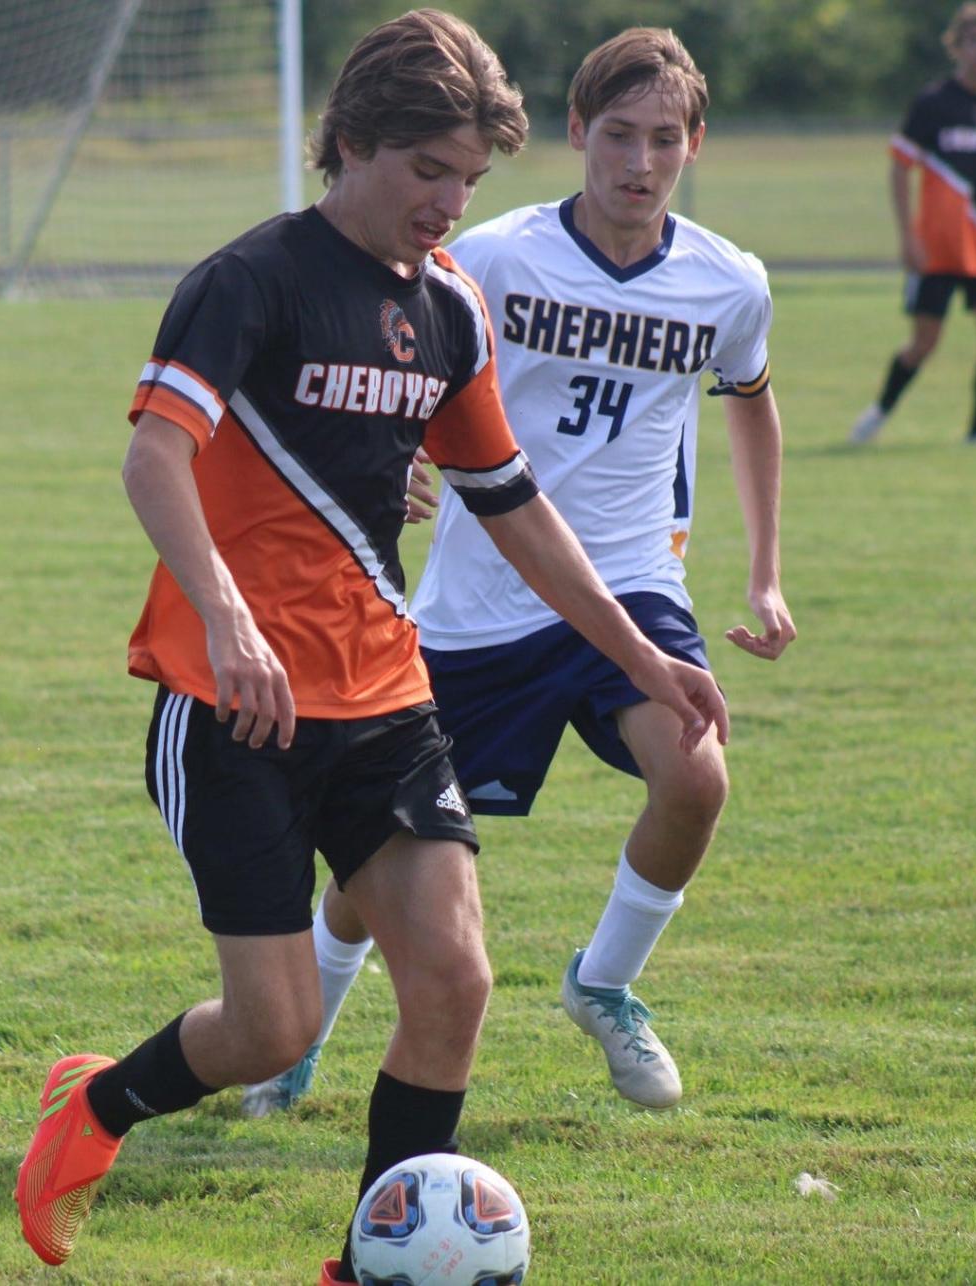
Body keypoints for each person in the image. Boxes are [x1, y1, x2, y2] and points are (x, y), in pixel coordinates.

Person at [12, 11, 729, 1284]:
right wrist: (227, 614)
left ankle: (367, 1260)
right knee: (271, 1023)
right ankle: (98, 1106)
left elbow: (510, 500)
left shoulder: (451, 311)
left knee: (454, 980)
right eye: (426, 171)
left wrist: (637, 652)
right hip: (228, 702)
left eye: (469, 178)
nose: (448, 203)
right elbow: (154, 454)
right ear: (348, 144)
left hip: (385, 692)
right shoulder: (251, 280)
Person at [243, 26, 793, 1122]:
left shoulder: (729, 284)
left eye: (666, 141)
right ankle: (303, 1033)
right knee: (372, 868)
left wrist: (766, 573)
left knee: (698, 773)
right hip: (481, 603)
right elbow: (405, 355)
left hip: (630, 582)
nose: (639, 164)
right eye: (619, 136)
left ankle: (605, 982)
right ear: (579, 132)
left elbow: (753, 404)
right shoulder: (489, 257)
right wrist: (393, 457)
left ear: (695, 144)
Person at [849, 0, 976, 446]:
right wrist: (907, 236)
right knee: (924, 343)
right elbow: (900, 166)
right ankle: (879, 411)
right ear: (956, 47)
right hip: (938, 246)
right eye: (970, 41)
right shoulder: (934, 103)